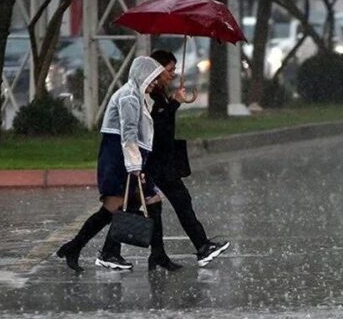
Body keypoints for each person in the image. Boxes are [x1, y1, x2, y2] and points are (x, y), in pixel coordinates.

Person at [56, 56, 181, 272]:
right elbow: (129, 135)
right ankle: (79, 247)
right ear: (141, 75)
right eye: (151, 78)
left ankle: (155, 254)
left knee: (151, 203)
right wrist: (135, 168)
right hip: (119, 160)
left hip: (129, 159)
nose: (154, 82)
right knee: (112, 209)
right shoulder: (129, 97)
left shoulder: (138, 96)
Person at [110, 49, 230, 267]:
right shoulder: (147, 94)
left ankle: (159, 254)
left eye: (174, 69)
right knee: (143, 206)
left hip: (163, 161)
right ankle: (198, 247)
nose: (173, 74)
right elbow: (153, 126)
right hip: (154, 162)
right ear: (155, 69)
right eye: (170, 69)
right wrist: (173, 104)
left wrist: (173, 102)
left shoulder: (158, 92)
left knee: (155, 206)